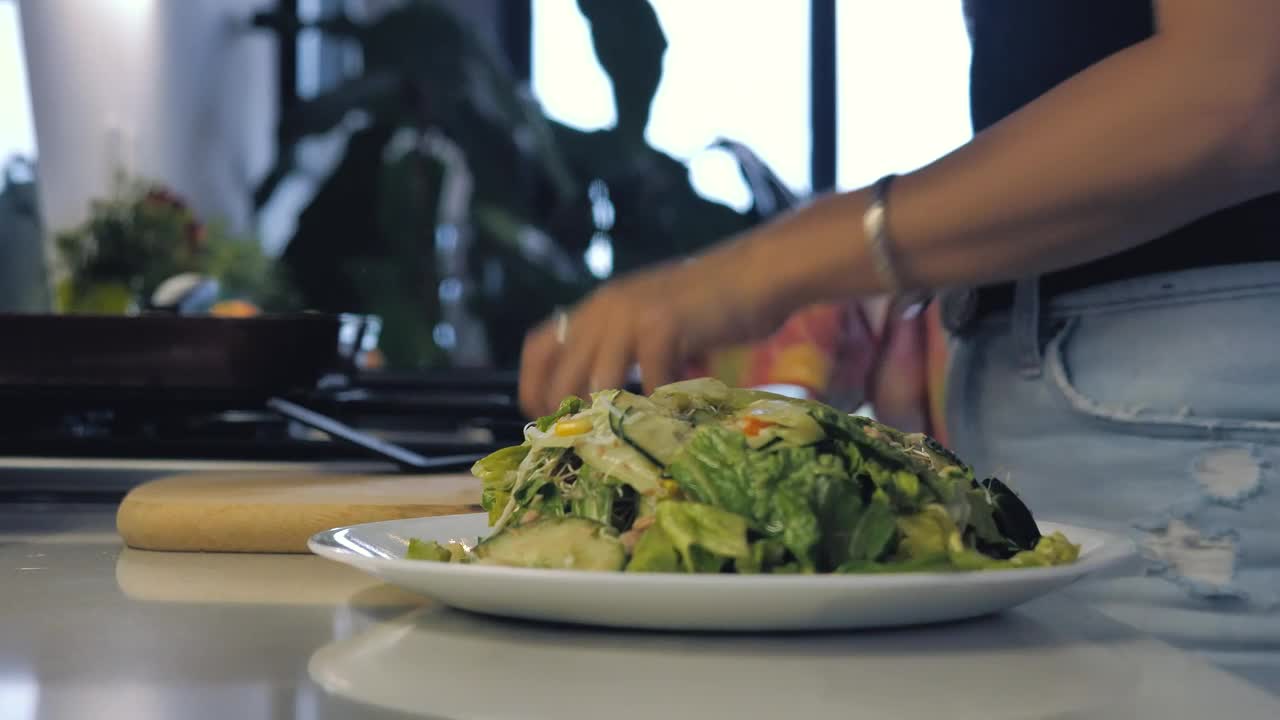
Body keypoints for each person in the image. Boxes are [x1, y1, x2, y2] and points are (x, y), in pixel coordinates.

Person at [518, 0, 1280, 693]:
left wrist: (758, 270)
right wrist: (933, 295)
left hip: (1204, 447)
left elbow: (1244, 86)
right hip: (1112, 418)